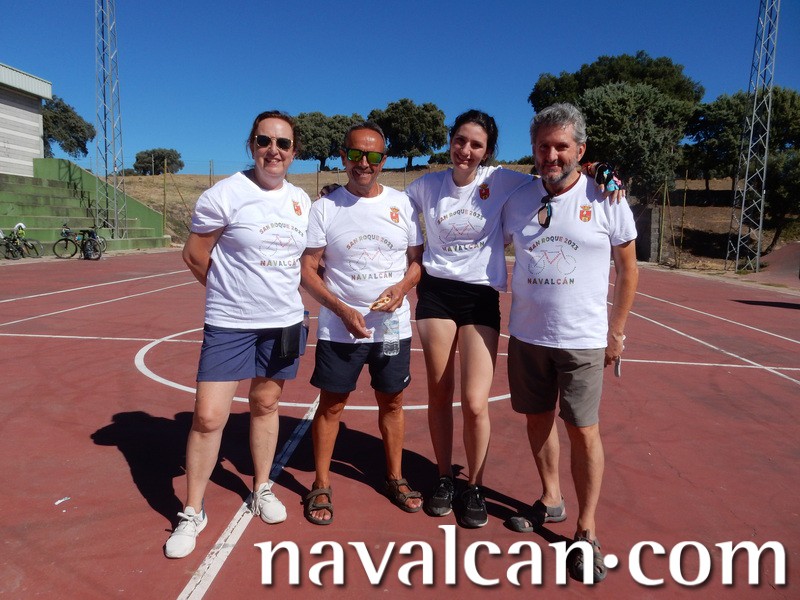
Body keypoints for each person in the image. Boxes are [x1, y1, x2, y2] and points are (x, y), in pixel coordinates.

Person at [164, 110, 311, 558]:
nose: (273, 150)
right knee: (209, 416)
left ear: (294, 152)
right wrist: (230, 294)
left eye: (283, 143)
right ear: (251, 145)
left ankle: (262, 487)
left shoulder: (301, 201)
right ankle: (192, 511)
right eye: (264, 141)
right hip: (230, 323)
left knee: (265, 405)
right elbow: (195, 255)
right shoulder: (225, 194)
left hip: (283, 322)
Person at [502, 103, 639, 583]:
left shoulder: (606, 197)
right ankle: (551, 498)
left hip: (582, 339)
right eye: (543, 146)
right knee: (537, 420)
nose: (552, 155)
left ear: (580, 150)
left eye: (562, 146)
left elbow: (628, 269)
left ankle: (587, 530)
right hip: (527, 335)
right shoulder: (518, 197)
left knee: (583, 430)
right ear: (533, 150)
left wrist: (616, 331)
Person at [404, 110, 532, 528]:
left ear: (487, 151)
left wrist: (598, 172)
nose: (466, 150)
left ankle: (474, 484)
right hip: (437, 294)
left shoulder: (501, 180)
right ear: (451, 141)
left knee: (476, 403)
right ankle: (444, 477)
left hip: (480, 297)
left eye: (476, 144)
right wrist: (339, 194)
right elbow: (384, 205)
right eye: (460, 140)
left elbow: (553, 181)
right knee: (440, 392)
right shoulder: (426, 186)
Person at [300, 121, 424, 525]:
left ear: (384, 160)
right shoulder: (325, 208)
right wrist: (341, 309)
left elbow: (417, 262)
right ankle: (321, 483)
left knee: (393, 402)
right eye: (355, 154)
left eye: (372, 156)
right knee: (332, 405)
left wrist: (402, 288)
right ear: (343, 157)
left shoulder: (403, 205)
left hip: (392, 328)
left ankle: (395, 477)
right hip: (340, 328)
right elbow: (308, 269)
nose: (364, 163)